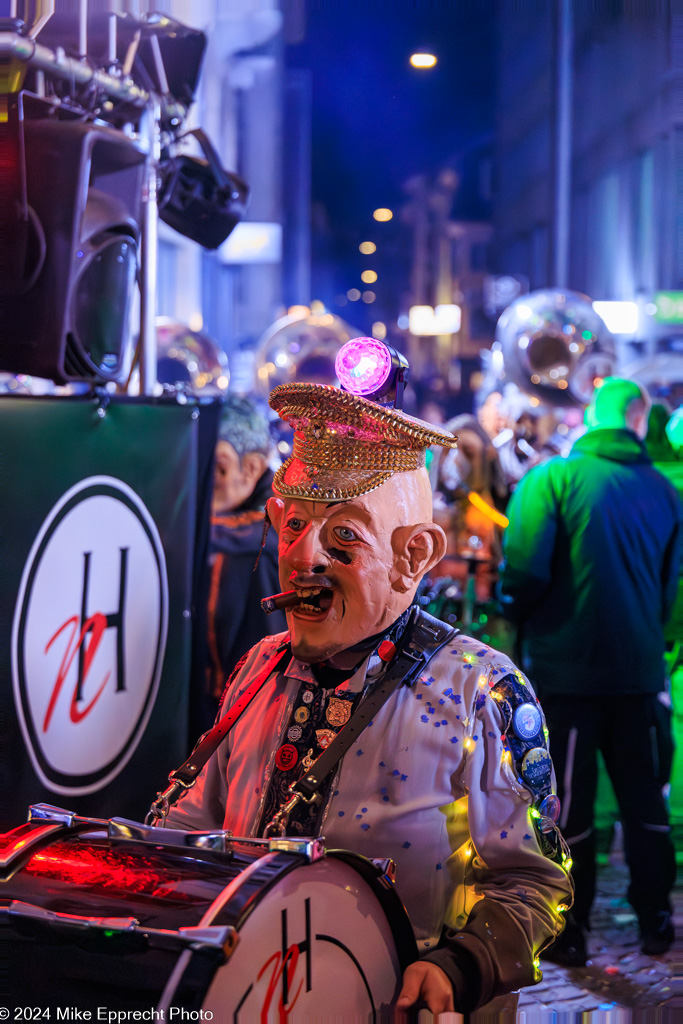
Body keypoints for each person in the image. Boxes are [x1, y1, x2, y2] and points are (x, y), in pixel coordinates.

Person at [164, 379, 573, 1015]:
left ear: (414, 556)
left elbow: (535, 879)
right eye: (294, 524)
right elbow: (193, 823)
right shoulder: (258, 669)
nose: (303, 557)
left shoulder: (481, 690)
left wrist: (463, 964)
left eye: (345, 536)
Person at [500, 377, 680, 964]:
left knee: (568, 803)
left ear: (590, 417)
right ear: (638, 418)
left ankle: (568, 930)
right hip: (640, 673)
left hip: (568, 673)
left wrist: (515, 619)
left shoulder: (553, 479)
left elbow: (523, 572)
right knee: (644, 800)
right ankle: (657, 919)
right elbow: (673, 592)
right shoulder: (666, 492)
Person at [206, 395, 286, 707]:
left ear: (251, 467)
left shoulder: (267, 534)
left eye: (218, 468)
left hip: (243, 705)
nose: (205, 478)